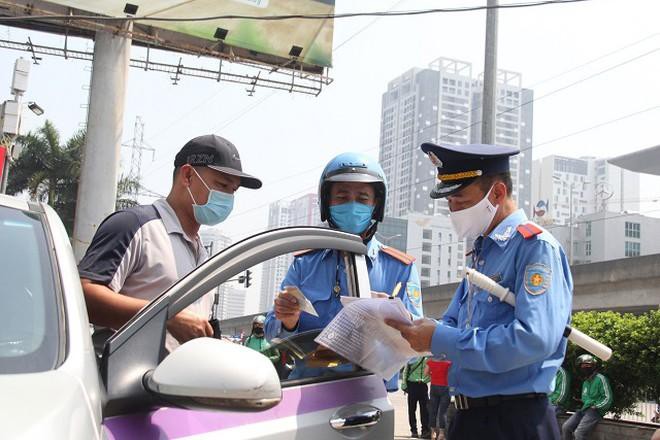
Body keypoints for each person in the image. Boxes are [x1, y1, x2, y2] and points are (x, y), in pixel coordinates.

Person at [386, 142, 573, 440]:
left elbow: (534, 338)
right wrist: (411, 326)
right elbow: (454, 323)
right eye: (449, 204)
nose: (454, 212)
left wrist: (439, 337)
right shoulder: (481, 254)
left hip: (515, 421)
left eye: (460, 201)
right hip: (468, 416)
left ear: (497, 193)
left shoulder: (535, 247)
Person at [78, 134, 262, 351]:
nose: (228, 198)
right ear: (187, 176)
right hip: (126, 379)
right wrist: (165, 316)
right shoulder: (135, 226)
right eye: (222, 185)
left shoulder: (202, 252)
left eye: (233, 191)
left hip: (178, 381)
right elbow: (83, 295)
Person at [264, 152, 423, 388]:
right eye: (342, 196)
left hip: (369, 395)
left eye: (362, 198)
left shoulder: (400, 268)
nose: (352, 205)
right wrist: (288, 320)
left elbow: (419, 343)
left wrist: (395, 323)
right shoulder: (304, 264)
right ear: (327, 203)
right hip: (308, 390)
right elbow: (270, 330)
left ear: (376, 205)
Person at [562, 354, 613, 440]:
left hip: (595, 411)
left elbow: (608, 398)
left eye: (587, 365)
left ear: (593, 366)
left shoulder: (601, 379)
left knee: (579, 433)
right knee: (566, 427)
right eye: (582, 365)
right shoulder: (585, 382)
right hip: (584, 410)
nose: (585, 367)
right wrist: (581, 401)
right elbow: (586, 398)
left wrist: (596, 406)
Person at [402, 356, 431, 439]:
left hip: (423, 385)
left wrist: (428, 379)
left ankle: (424, 431)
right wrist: (404, 386)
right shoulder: (412, 357)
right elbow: (406, 371)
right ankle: (413, 430)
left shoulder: (429, 357)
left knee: (425, 410)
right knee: (411, 409)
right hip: (412, 385)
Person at [426, 356, 452, 440]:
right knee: (443, 412)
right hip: (445, 387)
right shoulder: (449, 362)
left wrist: (433, 377)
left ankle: (433, 432)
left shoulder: (430, 361)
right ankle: (441, 433)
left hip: (434, 386)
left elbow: (426, 373)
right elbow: (452, 375)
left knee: (433, 410)